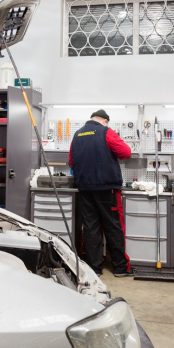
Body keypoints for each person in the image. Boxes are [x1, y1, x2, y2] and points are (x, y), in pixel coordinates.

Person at [69, 109, 133, 277]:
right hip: (107, 189)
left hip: (85, 189)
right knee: (114, 226)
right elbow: (126, 153)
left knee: (91, 228)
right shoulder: (106, 132)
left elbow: (71, 161)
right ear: (104, 121)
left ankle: (94, 268)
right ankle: (121, 267)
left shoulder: (77, 135)